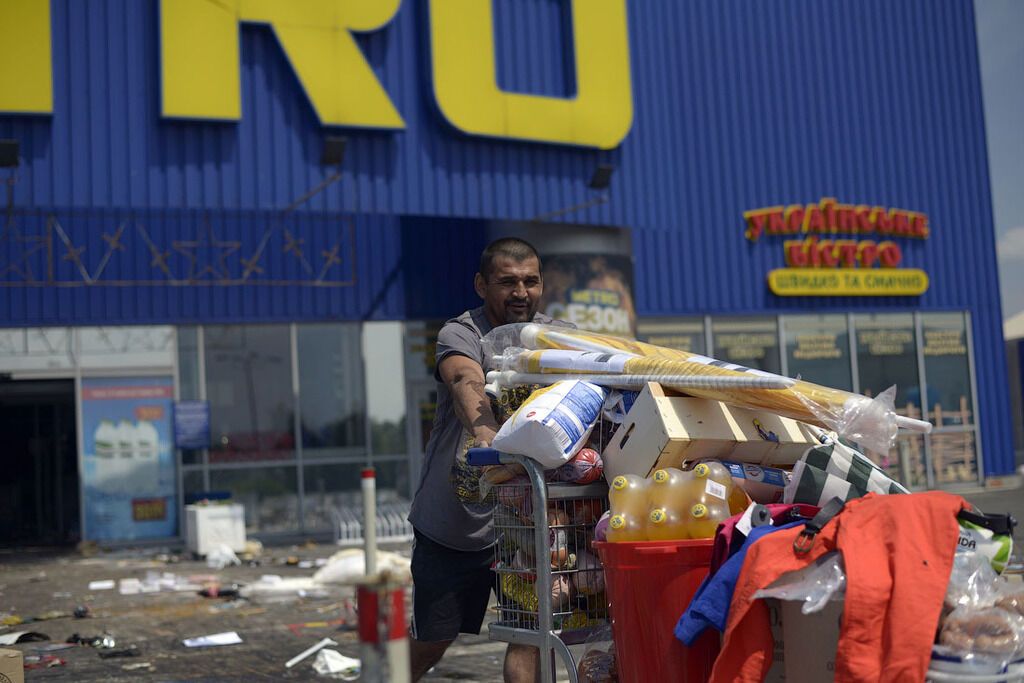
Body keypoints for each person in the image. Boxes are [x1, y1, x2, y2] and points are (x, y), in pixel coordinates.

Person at [407, 237, 570, 682]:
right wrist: (486, 433)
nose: (520, 292)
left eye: (530, 281)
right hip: (453, 524)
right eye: (507, 282)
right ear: (482, 285)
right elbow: (464, 378)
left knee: (529, 636)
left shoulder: (554, 339)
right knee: (433, 641)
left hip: (524, 525)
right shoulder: (462, 333)